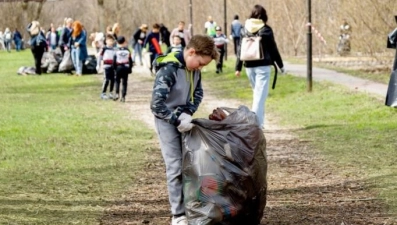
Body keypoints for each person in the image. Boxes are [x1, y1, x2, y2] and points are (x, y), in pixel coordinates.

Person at [150, 34, 219, 225]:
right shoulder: (169, 70)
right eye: (200, 63)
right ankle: (178, 214)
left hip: (184, 120)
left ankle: (193, 207)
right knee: (175, 167)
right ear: (191, 52)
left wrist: (188, 111)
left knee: (191, 165)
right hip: (166, 122)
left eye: (203, 66)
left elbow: (198, 92)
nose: (200, 68)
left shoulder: (194, 69)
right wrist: (175, 119)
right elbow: (156, 104)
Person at [235, 4, 285, 129]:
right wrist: (281, 66)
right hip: (263, 66)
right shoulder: (266, 29)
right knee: (259, 96)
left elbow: (240, 49)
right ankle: (255, 124)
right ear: (264, 15)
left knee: (258, 95)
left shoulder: (243, 29)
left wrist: (238, 67)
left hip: (248, 66)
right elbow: (273, 49)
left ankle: (259, 123)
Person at [113, 36, 133, 102]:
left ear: (117, 43)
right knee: (124, 82)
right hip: (125, 67)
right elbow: (130, 60)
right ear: (124, 42)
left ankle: (117, 94)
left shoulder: (116, 50)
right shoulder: (127, 50)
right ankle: (123, 96)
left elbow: (114, 60)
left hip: (118, 67)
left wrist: (114, 68)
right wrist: (130, 68)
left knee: (117, 81)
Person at [99, 34, 116, 99]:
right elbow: (100, 56)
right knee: (106, 79)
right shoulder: (104, 48)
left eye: (112, 41)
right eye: (109, 41)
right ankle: (103, 93)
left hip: (112, 66)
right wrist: (99, 64)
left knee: (113, 79)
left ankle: (111, 92)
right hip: (106, 66)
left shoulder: (114, 49)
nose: (111, 42)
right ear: (106, 41)